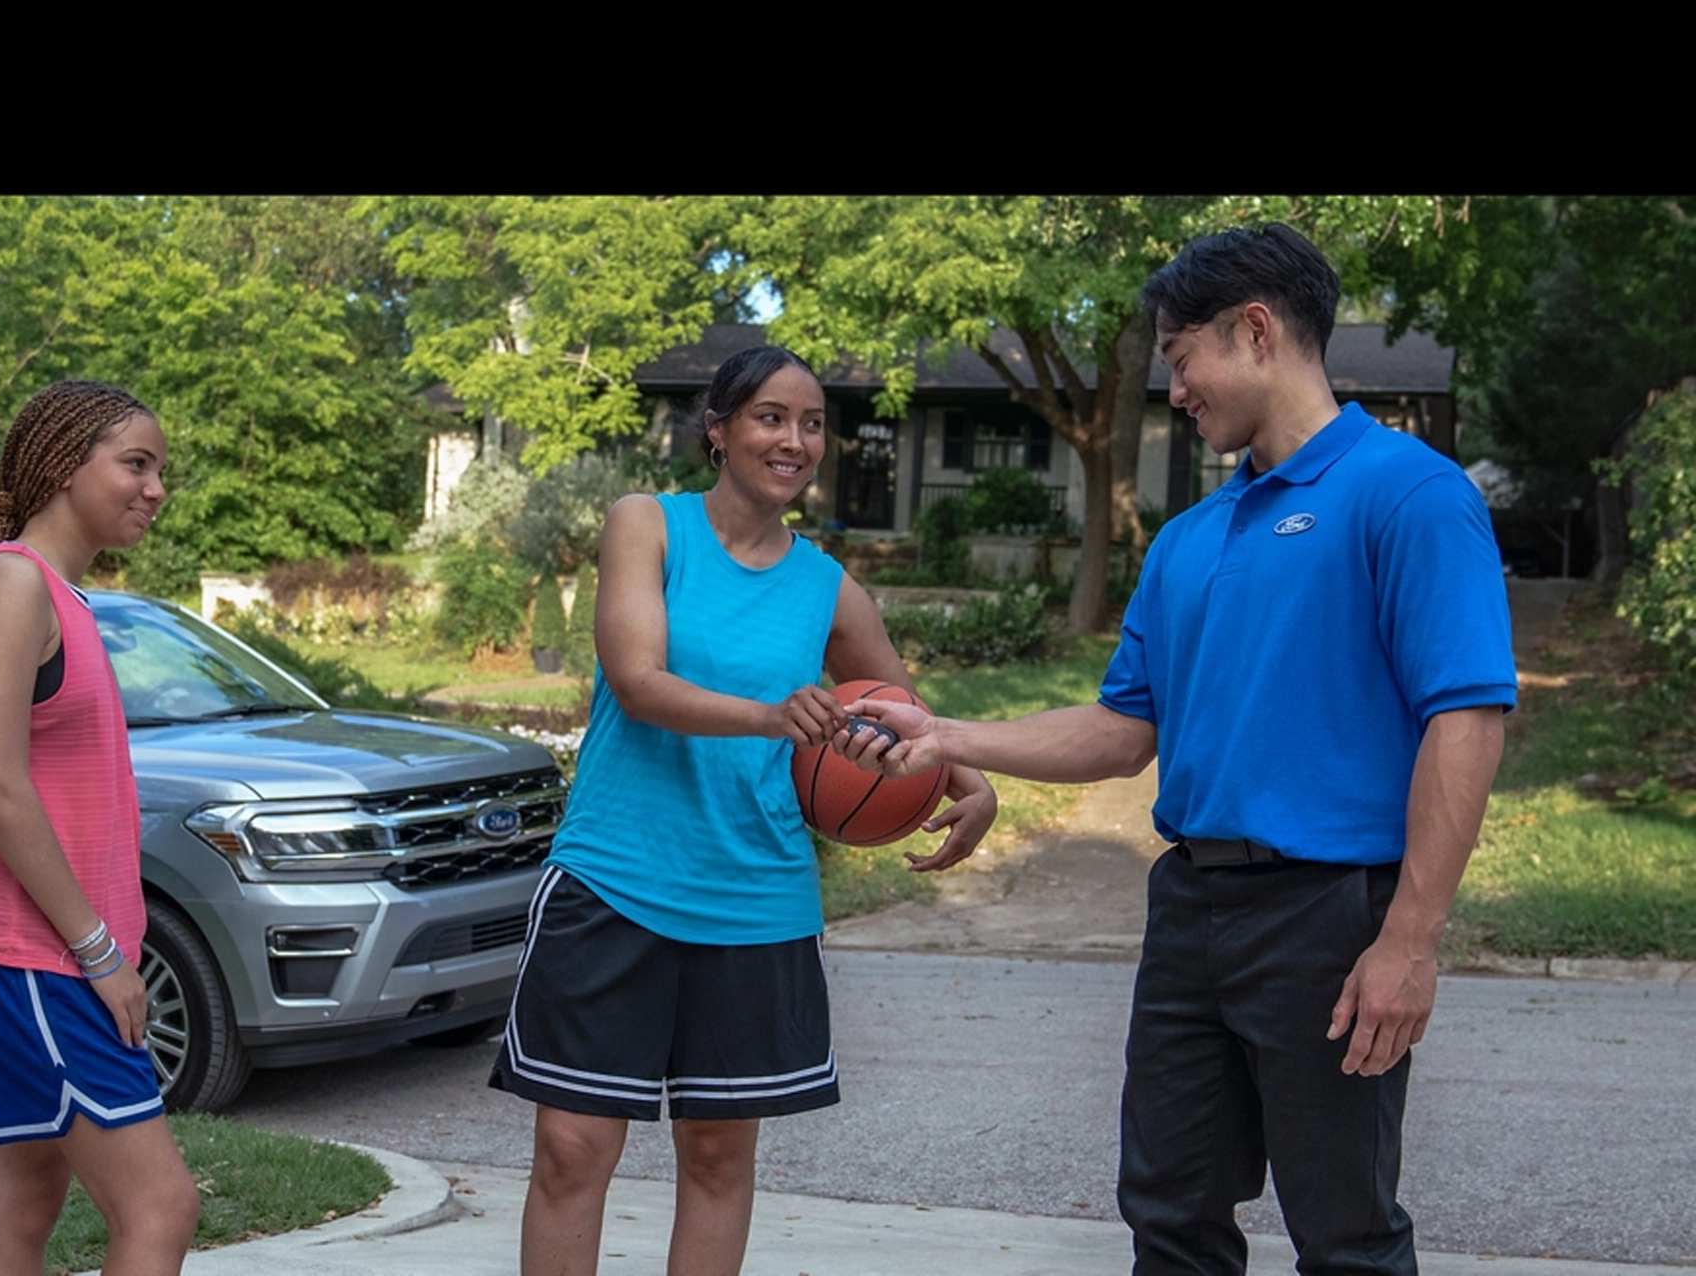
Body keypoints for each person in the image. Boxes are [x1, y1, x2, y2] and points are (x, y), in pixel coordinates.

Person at [845, 223, 1516, 1275]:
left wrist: (1411, 938)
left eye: (1180, 358)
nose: (1177, 388)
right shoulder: (1192, 539)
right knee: (1169, 1217)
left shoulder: (1410, 495)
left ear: (1255, 331)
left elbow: (1466, 720)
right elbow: (1123, 731)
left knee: (1344, 1232)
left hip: (1331, 915)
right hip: (1192, 908)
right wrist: (945, 737)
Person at [489, 343, 998, 1276]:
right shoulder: (647, 524)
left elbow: (900, 712)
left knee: (720, 1158)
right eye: (770, 417)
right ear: (717, 430)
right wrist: (771, 716)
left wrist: (965, 776)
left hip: (755, 900)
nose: (795, 439)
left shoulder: (828, 586)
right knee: (572, 1150)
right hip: (616, 878)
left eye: (811, 424)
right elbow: (639, 682)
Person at [0, 380, 200, 1276]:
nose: (154, 489)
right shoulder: (14, 588)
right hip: (36, 960)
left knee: (24, 1201)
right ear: (64, 464)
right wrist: (100, 953)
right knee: (160, 1208)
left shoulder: (52, 593)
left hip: (38, 956)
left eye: (160, 470)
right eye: (134, 464)